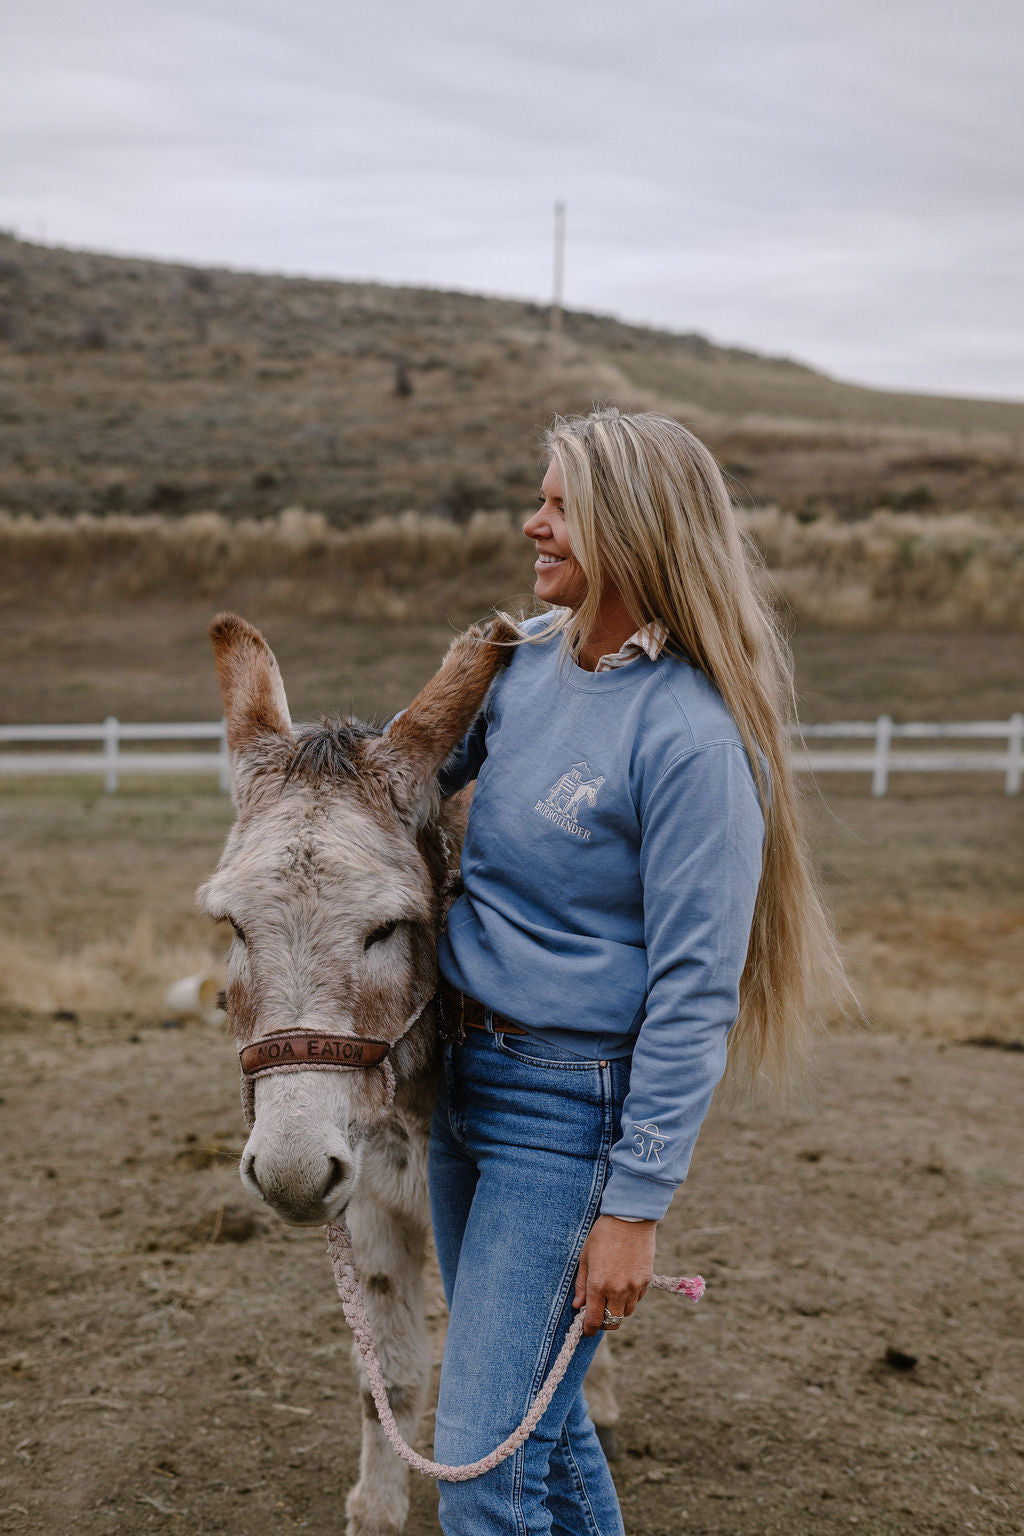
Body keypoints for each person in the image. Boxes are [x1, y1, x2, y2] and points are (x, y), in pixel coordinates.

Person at [428, 407, 843, 1536]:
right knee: (540, 1429)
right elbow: (402, 778)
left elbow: (696, 997)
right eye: (540, 500)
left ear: (631, 527)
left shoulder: (692, 740)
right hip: (461, 1089)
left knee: (481, 1472)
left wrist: (634, 1210)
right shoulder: (519, 661)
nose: (533, 523)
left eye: (560, 505)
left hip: (567, 1116)